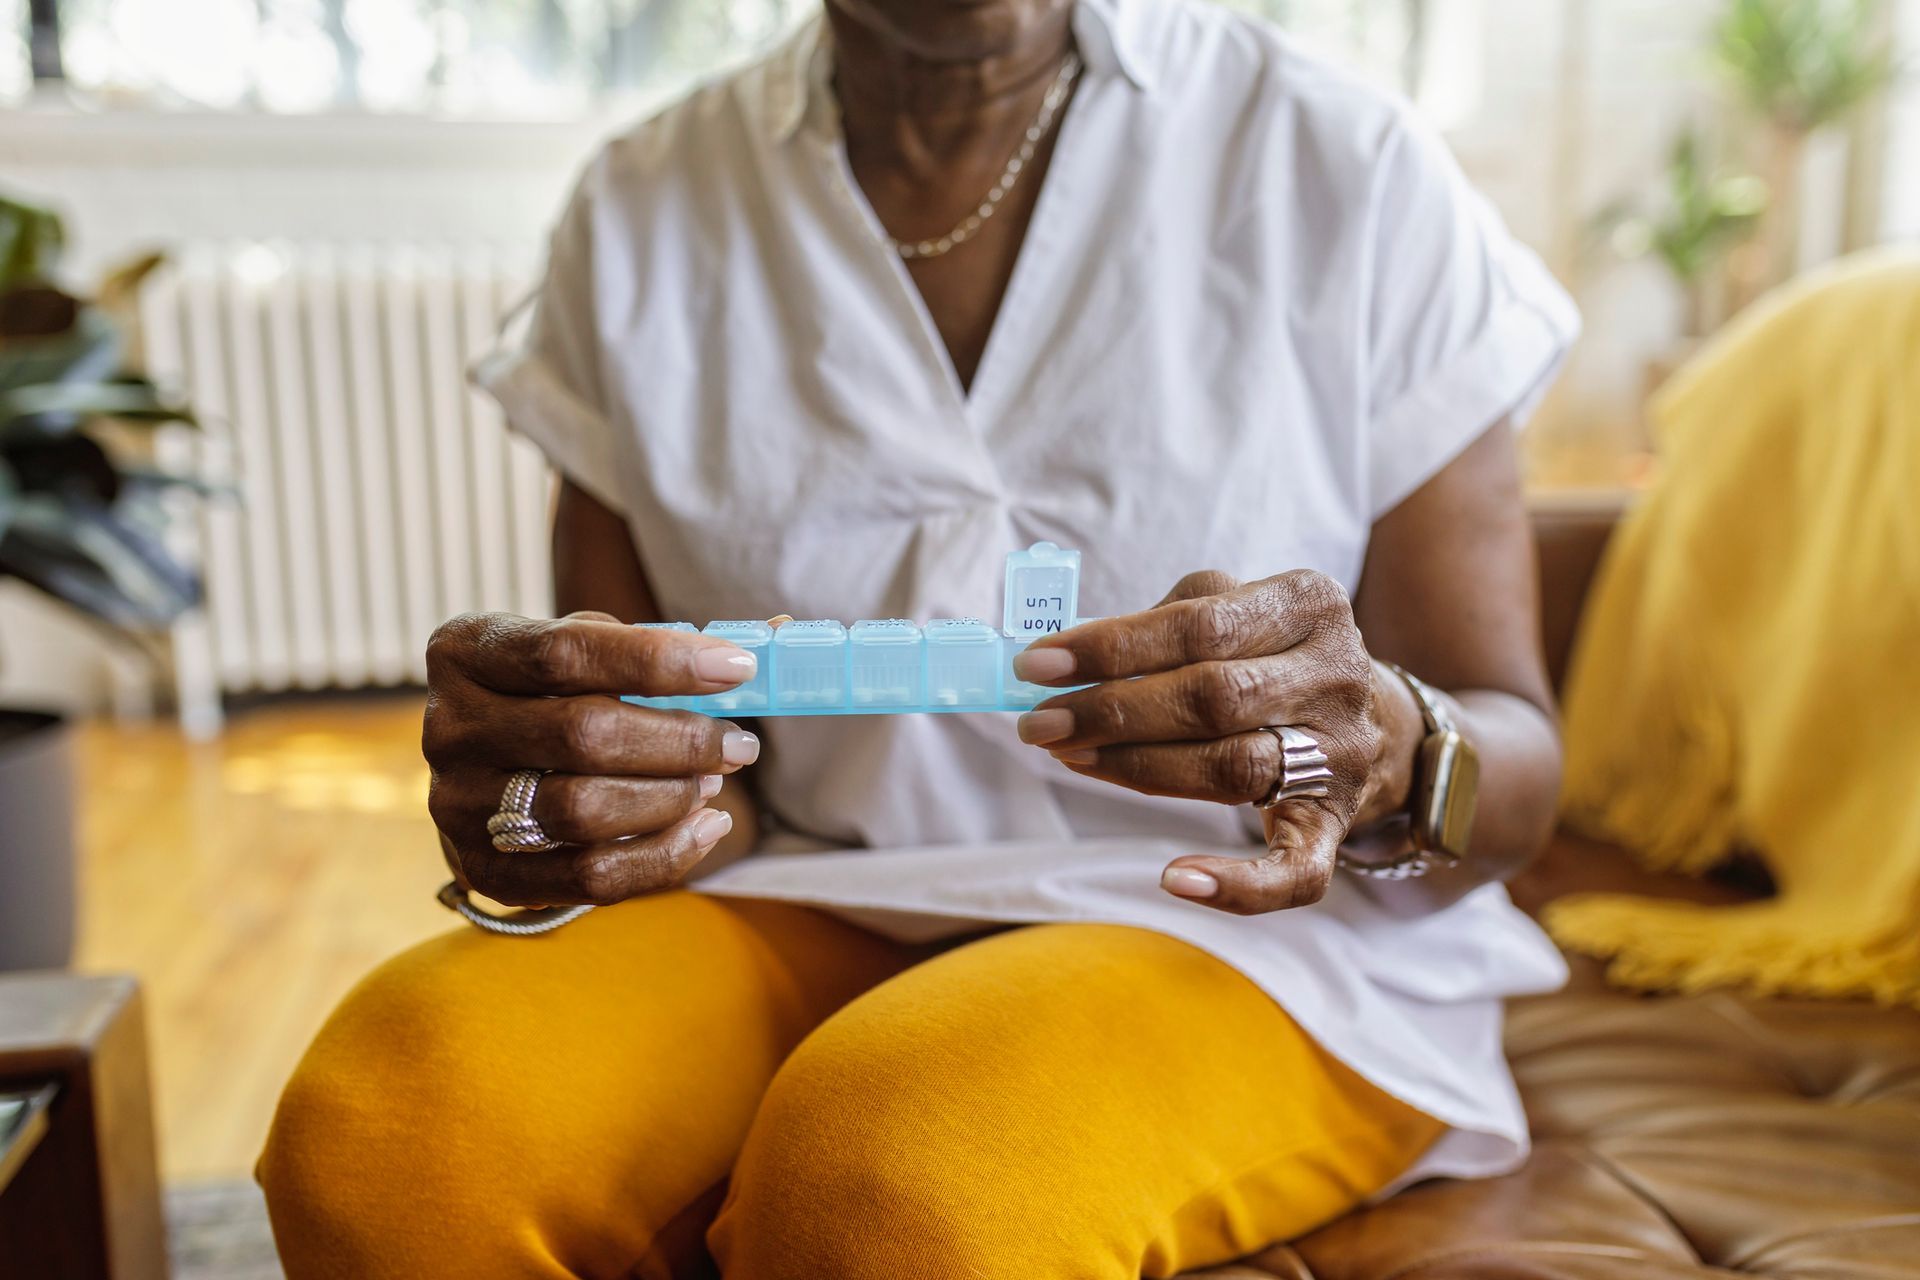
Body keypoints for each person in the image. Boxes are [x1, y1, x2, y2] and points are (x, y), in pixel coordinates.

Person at [258, 0, 1579, 1275]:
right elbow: (698, 791)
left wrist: (1389, 746)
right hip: (805, 896)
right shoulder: (643, 208)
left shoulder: (1338, 162)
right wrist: (581, 789)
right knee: (388, 1134)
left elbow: (1515, 757)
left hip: (1253, 937)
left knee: (901, 1177)